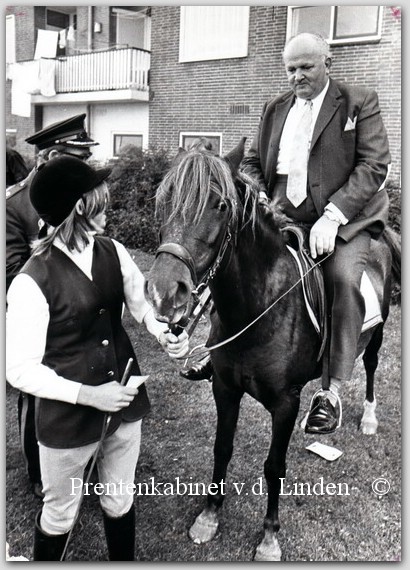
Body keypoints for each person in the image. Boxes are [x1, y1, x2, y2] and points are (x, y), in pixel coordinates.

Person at [183, 32, 391, 435]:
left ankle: (330, 390)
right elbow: (252, 160)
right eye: (291, 69)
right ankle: (219, 350)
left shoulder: (358, 102)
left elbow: (373, 165)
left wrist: (334, 216)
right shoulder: (275, 107)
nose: (297, 77)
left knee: (345, 280)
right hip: (281, 217)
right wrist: (260, 196)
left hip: (343, 221)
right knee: (233, 262)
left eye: (306, 67)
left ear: (327, 63)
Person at [6, 155, 189, 561]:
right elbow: (18, 369)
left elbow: (142, 305)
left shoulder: (114, 251)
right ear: (80, 208)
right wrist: (91, 396)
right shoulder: (29, 283)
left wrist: (163, 334)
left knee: (119, 500)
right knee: (60, 515)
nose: (110, 207)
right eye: (100, 199)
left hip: (125, 407)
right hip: (67, 423)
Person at [6, 114, 99, 498]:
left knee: (88, 386)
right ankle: (41, 473)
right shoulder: (14, 206)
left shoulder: (83, 195)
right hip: (42, 316)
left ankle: (87, 461)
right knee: (40, 396)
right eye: (78, 158)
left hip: (86, 314)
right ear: (50, 157)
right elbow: (11, 272)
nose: (87, 166)